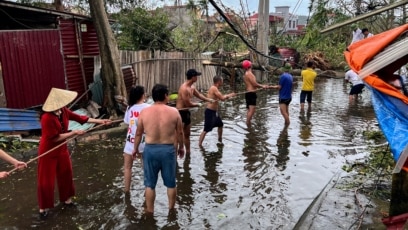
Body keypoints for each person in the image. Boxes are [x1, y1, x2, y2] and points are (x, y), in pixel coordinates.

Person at [37, 88, 112, 220]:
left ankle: (66, 200)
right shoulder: (46, 118)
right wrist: (73, 133)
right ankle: (43, 208)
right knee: (46, 180)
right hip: (48, 150)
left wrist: (101, 121)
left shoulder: (64, 111)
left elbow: (81, 118)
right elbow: (54, 138)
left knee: (66, 173)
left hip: (62, 149)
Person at [133, 84, 184, 214]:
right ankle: (171, 210)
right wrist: (181, 147)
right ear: (166, 96)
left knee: (149, 184)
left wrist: (135, 149)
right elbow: (180, 133)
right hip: (168, 150)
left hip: (150, 150)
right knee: (171, 183)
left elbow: (138, 133)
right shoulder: (174, 112)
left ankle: (150, 211)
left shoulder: (144, 112)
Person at [176, 69, 214, 154]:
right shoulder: (184, 88)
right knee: (178, 135)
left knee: (187, 134)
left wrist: (208, 99)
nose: (197, 77)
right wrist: (197, 105)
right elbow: (188, 103)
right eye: (196, 76)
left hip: (186, 113)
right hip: (180, 113)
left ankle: (188, 153)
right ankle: (175, 154)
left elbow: (199, 95)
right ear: (193, 77)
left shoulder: (192, 87)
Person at [123, 86, 150, 193]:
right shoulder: (149, 107)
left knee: (127, 168)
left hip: (131, 142)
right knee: (146, 169)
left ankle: (126, 191)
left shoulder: (130, 108)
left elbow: (127, 123)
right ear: (142, 95)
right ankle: (148, 190)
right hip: (145, 141)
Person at [198, 76, 236, 147]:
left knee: (220, 124)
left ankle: (220, 140)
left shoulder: (214, 88)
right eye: (222, 81)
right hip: (210, 112)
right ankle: (199, 145)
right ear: (219, 82)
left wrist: (227, 96)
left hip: (214, 112)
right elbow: (222, 98)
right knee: (206, 129)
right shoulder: (214, 88)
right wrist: (230, 95)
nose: (223, 82)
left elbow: (220, 97)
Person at [242, 60, 269, 127]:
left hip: (248, 93)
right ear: (250, 66)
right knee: (252, 110)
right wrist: (263, 86)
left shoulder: (246, 74)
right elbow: (254, 84)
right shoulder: (249, 74)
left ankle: (248, 123)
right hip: (251, 93)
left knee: (249, 110)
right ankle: (248, 124)